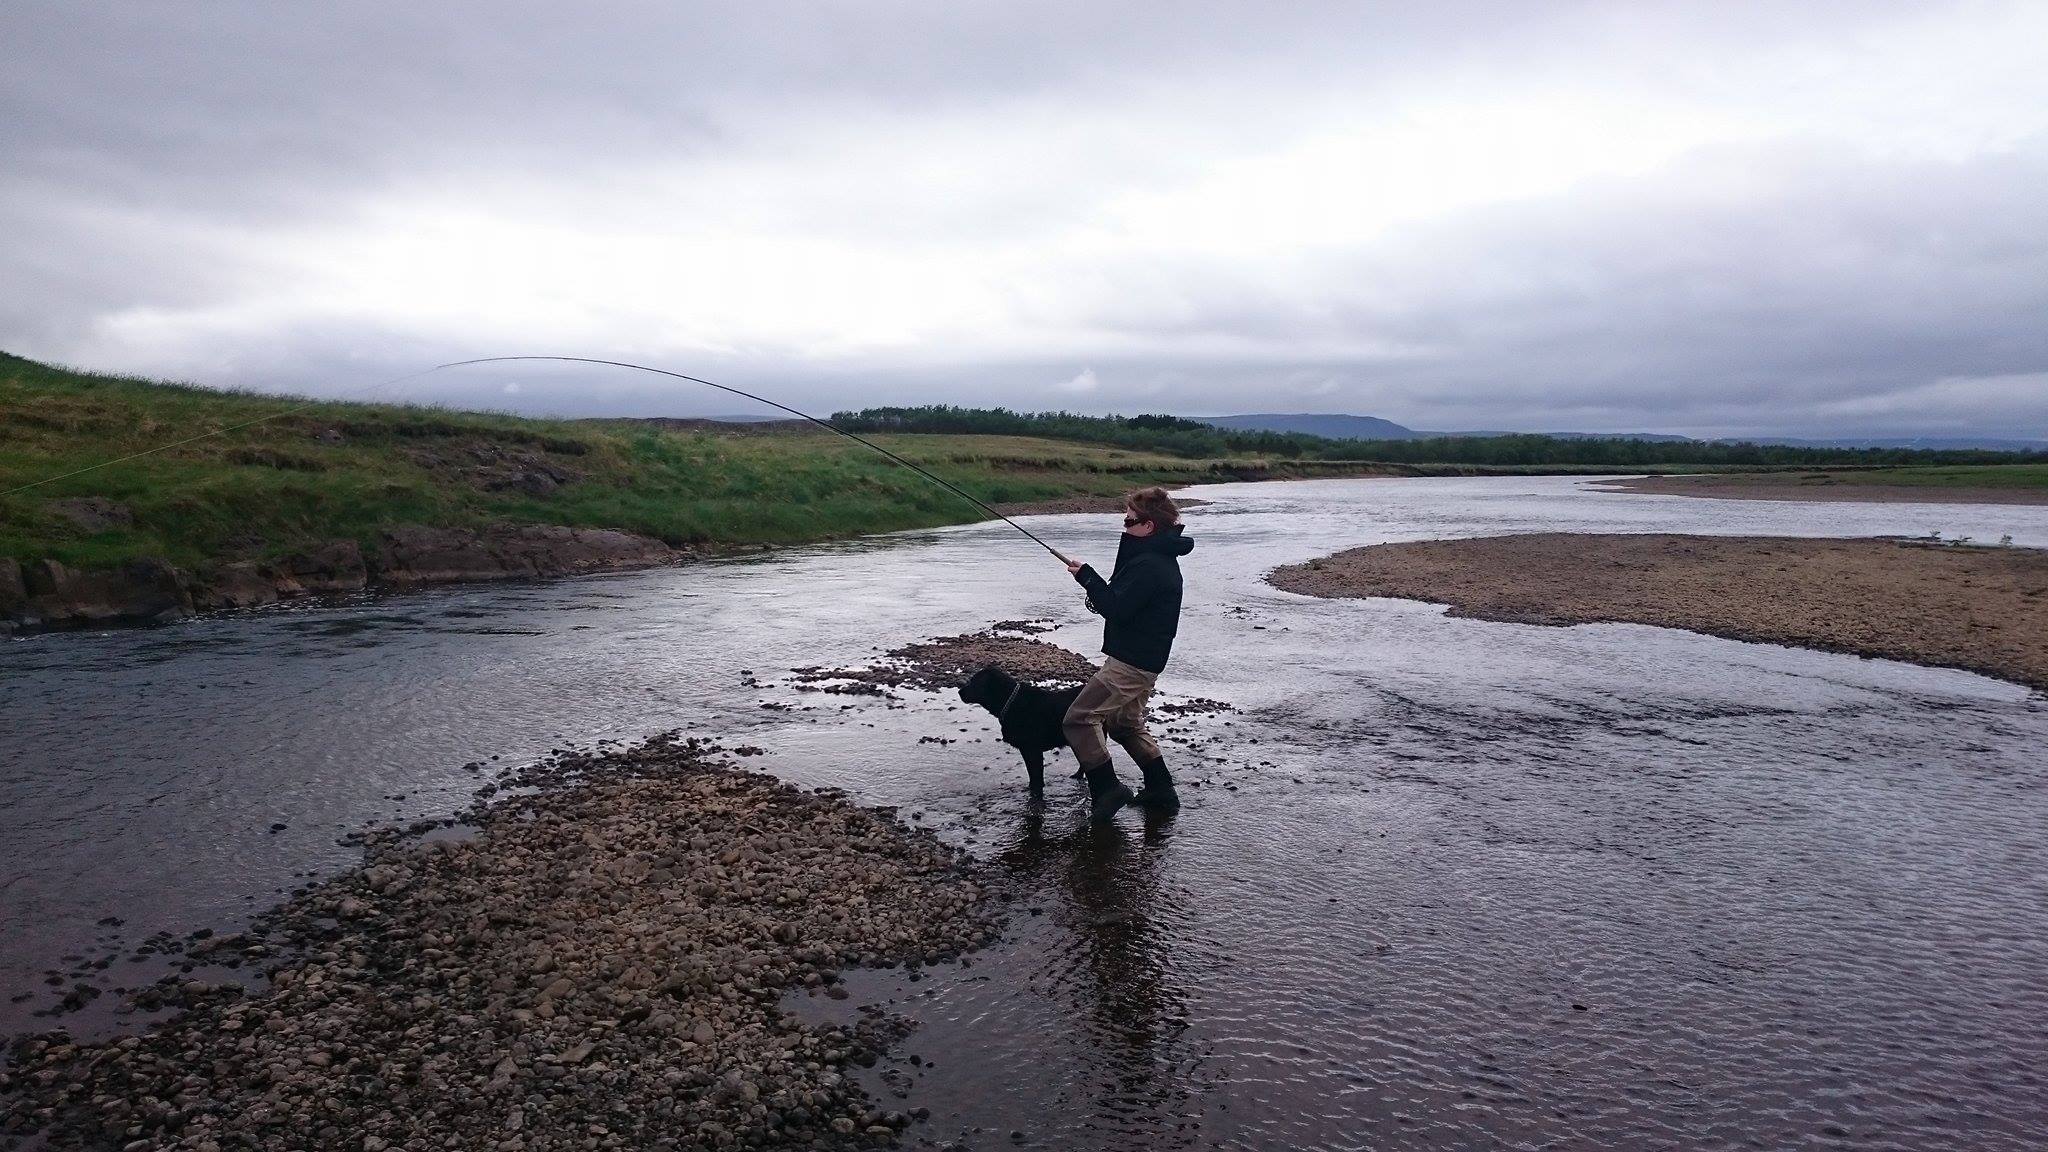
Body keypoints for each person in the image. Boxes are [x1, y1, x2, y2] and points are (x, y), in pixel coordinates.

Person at [1062, 486, 1194, 822]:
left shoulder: (1150, 564)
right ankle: (1160, 789)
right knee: (1123, 722)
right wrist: (1089, 579)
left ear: (1148, 526)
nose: (1125, 526)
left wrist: (1088, 578)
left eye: (1129, 521)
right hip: (1145, 660)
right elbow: (1123, 603)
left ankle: (1108, 789)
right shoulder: (1156, 558)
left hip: (1131, 664)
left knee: (1078, 718)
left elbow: (1116, 609)